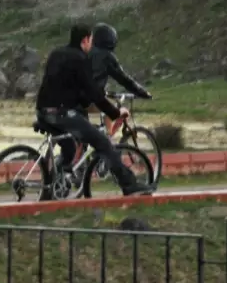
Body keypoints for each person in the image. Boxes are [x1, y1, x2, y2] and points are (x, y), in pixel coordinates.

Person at [35, 24, 154, 196]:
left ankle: (51, 185)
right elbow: (94, 93)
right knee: (104, 144)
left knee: (68, 148)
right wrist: (115, 112)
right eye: (90, 40)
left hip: (43, 112)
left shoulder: (56, 54)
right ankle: (129, 184)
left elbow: (69, 89)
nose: (91, 44)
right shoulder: (80, 59)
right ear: (85, 40)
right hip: (63, 114)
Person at [89, 23, 151, 101]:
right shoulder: (107, 57)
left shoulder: (84, 51)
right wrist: (143, 93)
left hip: (73, 99)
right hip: (91, 100)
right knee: (120, 110)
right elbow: (124, 79)